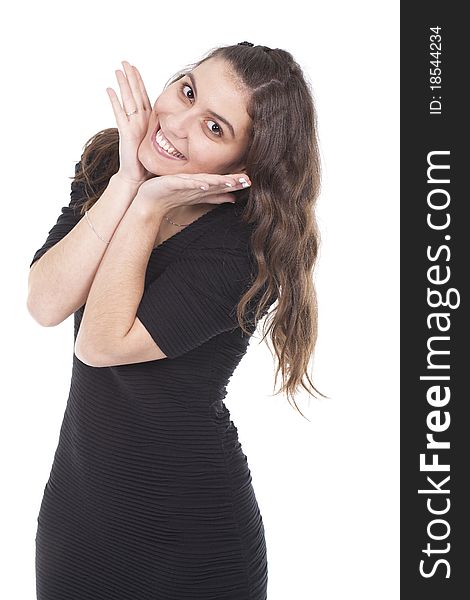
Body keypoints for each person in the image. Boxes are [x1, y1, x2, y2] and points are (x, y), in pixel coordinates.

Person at [27, 41, 325, 600]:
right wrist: (126, 183)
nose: (177, 124)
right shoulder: (109, 166)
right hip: (77, 520)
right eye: (187, 90)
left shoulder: (243, 251)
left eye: (214, 128)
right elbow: (44, 303)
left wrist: (146, 206)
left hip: (191, 541)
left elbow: (101, 345)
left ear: (245, 167)